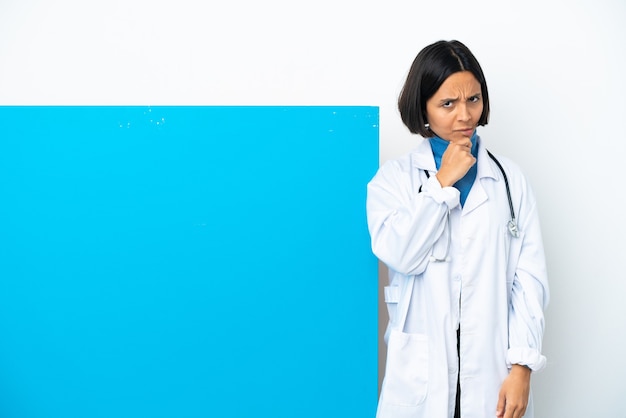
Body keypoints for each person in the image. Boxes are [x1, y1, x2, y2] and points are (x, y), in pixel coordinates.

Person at [366, 40, 549, 418]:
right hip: (421, 376)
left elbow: (528, 282)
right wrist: (442, 184)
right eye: (448, 104)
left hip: (495, 377)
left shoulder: (509, 180)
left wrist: (522, 366)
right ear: (423, 109)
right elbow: (401, 254)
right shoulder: (393, 181)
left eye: (473, 99)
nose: (465, 115)